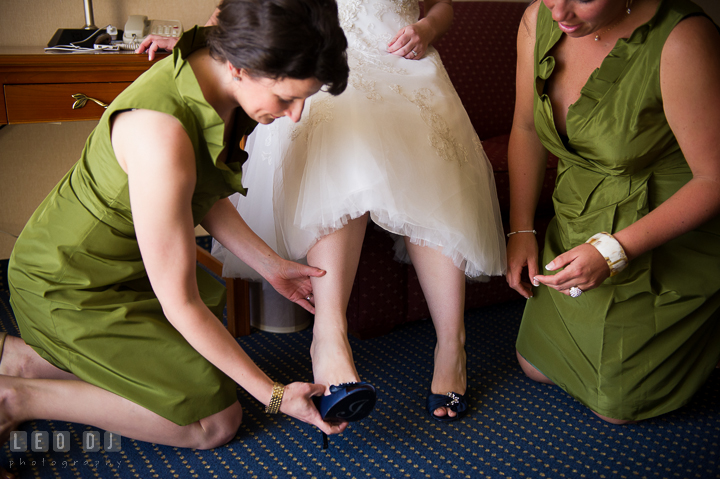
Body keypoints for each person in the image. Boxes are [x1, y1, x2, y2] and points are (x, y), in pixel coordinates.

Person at [3, 0, 351, 460]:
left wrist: (272, 266)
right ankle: (16, 398)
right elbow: (181, 302)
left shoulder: (216, 55)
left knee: (212, 372)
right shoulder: (159, 135)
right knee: (215, 420)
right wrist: (273, 395)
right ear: (240, 67)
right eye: (287, 97)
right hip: (69, 288)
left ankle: (25, 360)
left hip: (129, 271)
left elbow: (199, 189)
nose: (296, 114)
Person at [143, 0, 507, 422]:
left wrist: (426, 29)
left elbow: (443, 6)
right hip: (315, 58)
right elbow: (248, 5)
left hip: (401, 55)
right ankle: (329, 335)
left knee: (432, 160)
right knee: (337, 142)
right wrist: (204, 47)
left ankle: (451, 344)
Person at [506, 0, 720, 423]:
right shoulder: (537, 18)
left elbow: (712, 179)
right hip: (579, 212)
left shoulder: (683, 39)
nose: (561, 13)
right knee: (534, 365)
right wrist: (521, 230)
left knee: (618, 407)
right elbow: (527, 128)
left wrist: (613, 251)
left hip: (667, 226)